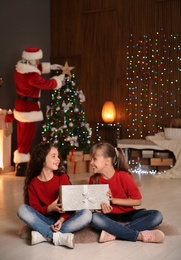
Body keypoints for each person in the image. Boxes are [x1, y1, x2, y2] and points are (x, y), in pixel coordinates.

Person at [17, 142, 92, 249]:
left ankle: (44, 235)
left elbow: (70, 207)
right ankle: (58, 237)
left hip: (64, 220)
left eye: (57, 156)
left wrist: (61, 220)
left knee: (87, 214)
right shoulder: (33, 184)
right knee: (22, 209)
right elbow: (35, 209)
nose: (58, 159)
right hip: (44, 219)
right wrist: (50, 208)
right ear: (42, 160)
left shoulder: (62, 177)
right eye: (53, 156)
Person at [89, 142, 165, 244]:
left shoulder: (124, 176)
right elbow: (94, 204)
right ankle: (137, 235)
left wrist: (114, 200)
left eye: (94, 159)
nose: (90, 162)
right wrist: (99, 209)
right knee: (94, 218)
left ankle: (114, 232)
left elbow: (137, 201)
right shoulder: (93, 179)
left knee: (156, 215)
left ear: (107, 161)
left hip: (128, 214)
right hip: (108, 216)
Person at [13, 46, 65, 176]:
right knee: (26, 136)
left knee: (22, 136)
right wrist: (58, 80)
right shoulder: (31, 76)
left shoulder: (20, 68)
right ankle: (22, 167)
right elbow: (47, 84)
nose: (38, 63)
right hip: (28, 108)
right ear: (31, 60)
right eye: (36, 60)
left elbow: (37, 69)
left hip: (21, 105)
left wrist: (51, 67)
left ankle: (21, 163)